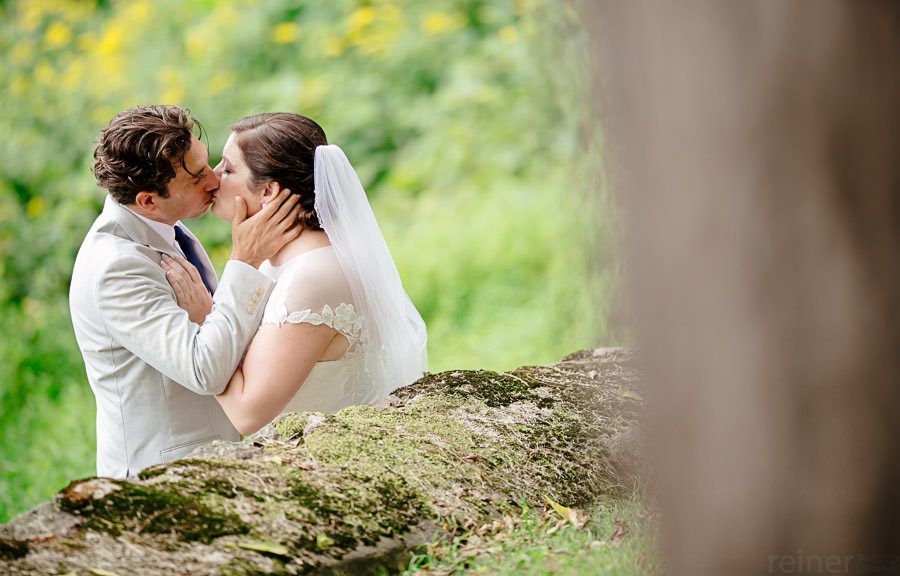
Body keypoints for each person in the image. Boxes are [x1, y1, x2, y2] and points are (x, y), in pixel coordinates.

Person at [69, 105, 301, 478]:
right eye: (195, 177)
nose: (214, 180)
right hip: (163, 475)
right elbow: (203, 371)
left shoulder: (161, 225)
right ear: (147, 199)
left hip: (212, 458)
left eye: (206, 163)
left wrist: (209, 313)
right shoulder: (117, 268)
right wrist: (244, 261)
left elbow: (213, 327)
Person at [162, 112, 427, 434]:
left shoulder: (311, 276)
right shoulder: (278, 261)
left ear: (269, 191)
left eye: (229, 168)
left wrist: (204, 319)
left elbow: (247, 415)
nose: (215, 178)